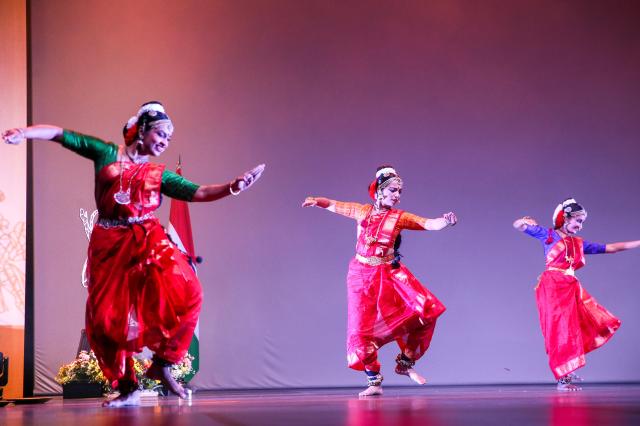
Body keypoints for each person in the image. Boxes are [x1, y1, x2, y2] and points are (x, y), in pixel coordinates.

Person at [2, 101, 265, 406]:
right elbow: (61, 134)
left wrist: (235, 186)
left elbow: (198, 192)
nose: (165, 142)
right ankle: (128, 386)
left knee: (189, 292)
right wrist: (23, 132)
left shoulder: (158, 174)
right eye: (161, 134)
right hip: (108, 242)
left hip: (147, 239)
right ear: (142, 129)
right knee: (105, 320)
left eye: (169, 138)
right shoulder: (105, 153)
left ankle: (164, 364)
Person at [302, 166, 456, 397]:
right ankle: (374, 381)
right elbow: (336, 205)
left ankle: (405, 364)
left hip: (390, 274)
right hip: (361, 276)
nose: (397, 195)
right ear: (380, 191)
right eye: (393, 190)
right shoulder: (362, 211)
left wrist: (445, 221)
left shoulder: (399, 217)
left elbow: (428, 224)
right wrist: (317, 201)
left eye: (400, 192)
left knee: (426, 310)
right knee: (360, 329)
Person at [513, 198, 640, 391]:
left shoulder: (579, 243)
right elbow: (518, 225)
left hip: (570, 287)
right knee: (559, 329)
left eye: (582, 223)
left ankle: (567, 371)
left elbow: (611, 248)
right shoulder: (548, 235)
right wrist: (525, 220)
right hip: (553, 286)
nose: (579, 226)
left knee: (574, 327)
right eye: (577, 221)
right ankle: (562, 377)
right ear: (565, 218)